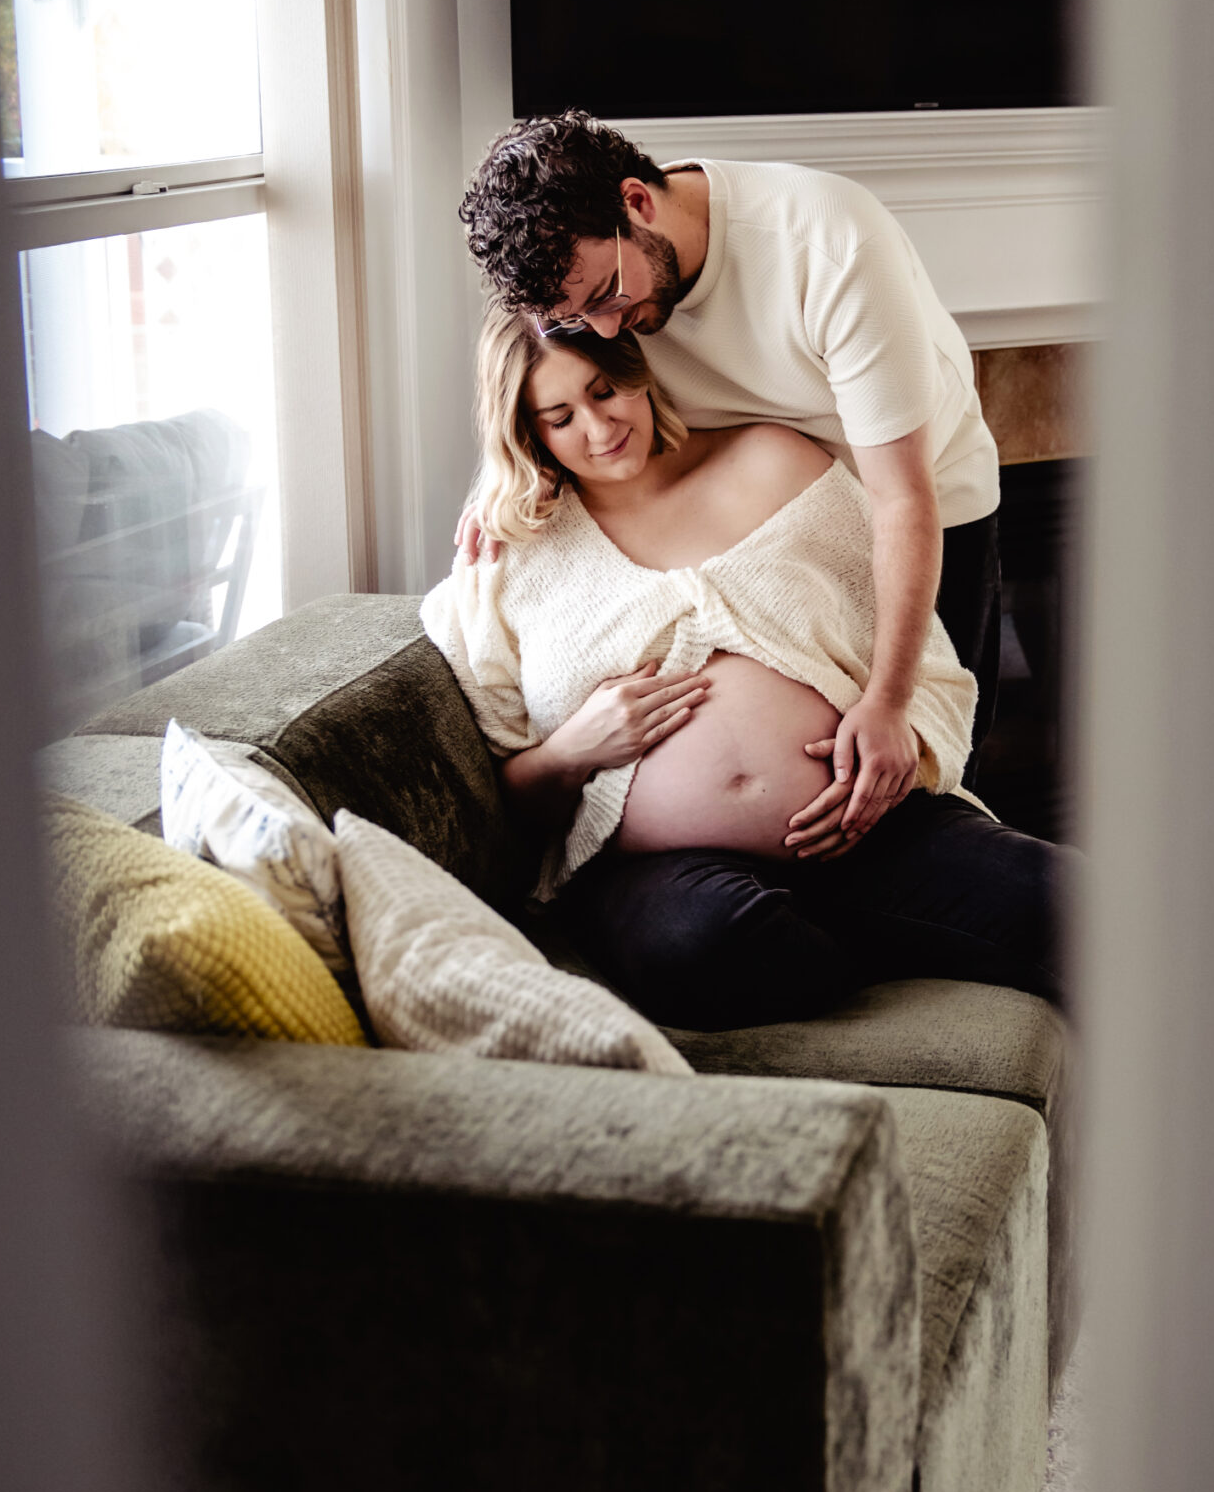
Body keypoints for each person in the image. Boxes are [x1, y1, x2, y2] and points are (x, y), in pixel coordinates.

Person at [422, 309, 1071, 1035]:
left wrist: (899, 723)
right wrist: (573, 750)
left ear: (639, 375)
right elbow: (505, 797)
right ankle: (884, 939)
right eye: (561, 415)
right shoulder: (514, 560)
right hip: (668, 872)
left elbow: (917, 644)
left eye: (606, 391)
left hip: (869, 829)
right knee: (704, 945)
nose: (600, 429)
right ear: (526, 430)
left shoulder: (776, 463)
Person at [454, 109, 1003, 845]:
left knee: (922, 764)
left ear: (637, 203)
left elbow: (902, 497)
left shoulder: (828, 241)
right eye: (578, 317)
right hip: (764, 515)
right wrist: (500, 478)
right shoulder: (594, 281)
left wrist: (889, 701)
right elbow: (536, 375)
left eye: (609, 297)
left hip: (914, 503)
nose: (609, 331)